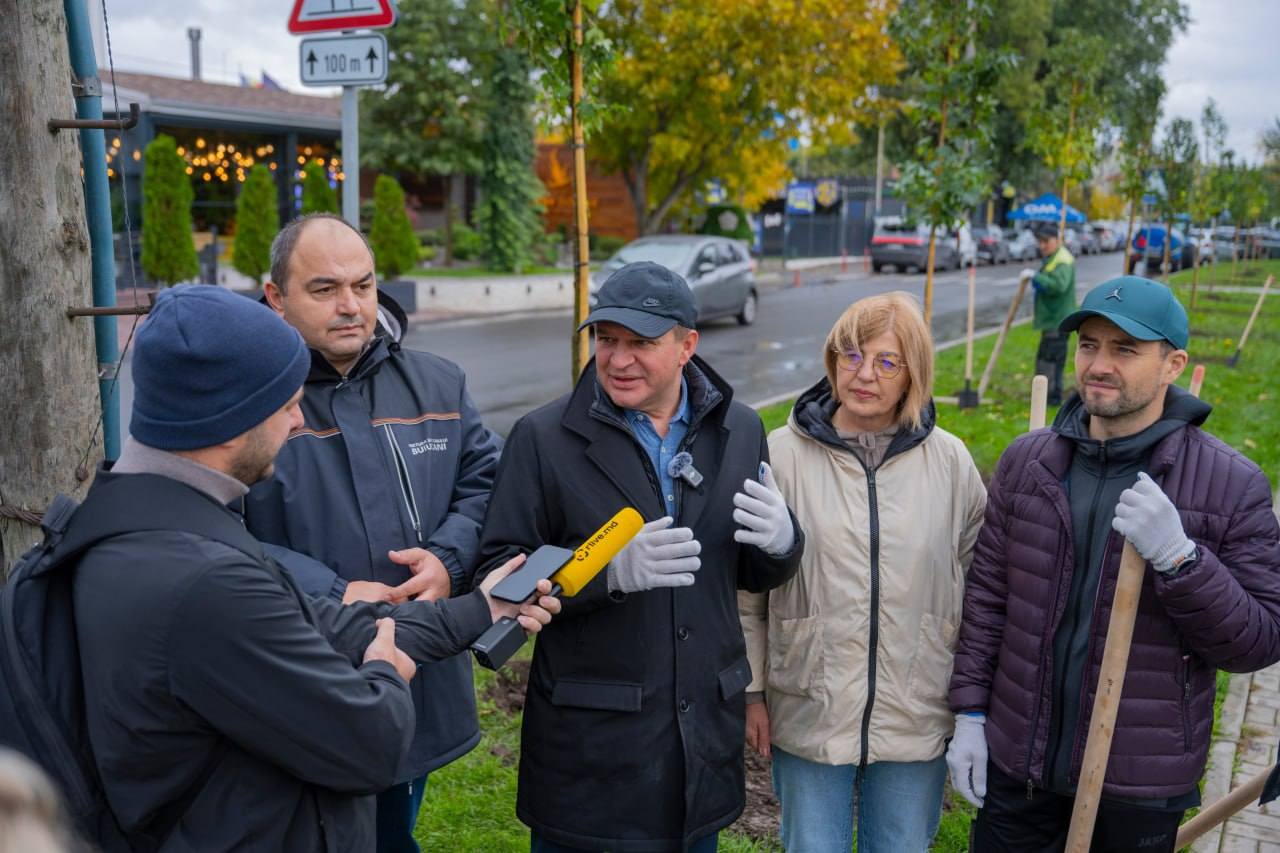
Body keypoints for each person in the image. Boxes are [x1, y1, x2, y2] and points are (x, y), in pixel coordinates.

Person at [73, 285, 559, 850]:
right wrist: (384, 674)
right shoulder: (211, 580)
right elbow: (368, 743)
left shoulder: (119, 530)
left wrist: (484, 607)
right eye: (286, 406)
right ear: (233, 419)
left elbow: (338, 626)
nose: (299, 420)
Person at [473, 261, 805, 851]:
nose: (618, 360)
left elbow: (748, 573)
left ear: (687, 346)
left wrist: (782, 544)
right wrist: (605, 574)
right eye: (606, 340)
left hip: (701, 741)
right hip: (594, 749)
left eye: (641, 344)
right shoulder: (543, 440)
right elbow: (499, 573)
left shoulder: (739, 430)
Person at [947, 276, 1280, 852]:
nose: (1099, 365)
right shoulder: (1029, 464)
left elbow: (1258, 643)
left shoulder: (1230, 485)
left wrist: (1181, 561)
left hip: (1138, 781)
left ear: (1174, 365)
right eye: (1089, 345)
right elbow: (987, 601)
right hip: (1019, 763)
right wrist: (971, 714)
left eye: (1125, 349)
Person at [244, 213, 503, 852]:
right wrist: (332, 590)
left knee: (392, 826)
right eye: (325, 289)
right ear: (276, 296)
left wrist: (448, 560)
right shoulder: (247, 401)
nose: (351, 306)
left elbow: (487, 483)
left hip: (418, 673)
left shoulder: (439, 382)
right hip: (297, 674)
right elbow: (209, 526)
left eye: (362, 285)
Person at [738, 292, 987, 853]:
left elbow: (981, 589)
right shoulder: (781, 456)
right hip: (809, 703)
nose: (864, 374)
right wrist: (751, 691)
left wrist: (973, 704)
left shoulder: (950, 463)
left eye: (886, 361)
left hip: (917, 706)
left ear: (914, 373)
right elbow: (747, 591)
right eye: (850, 356)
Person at [1022, 220, 1077, 406]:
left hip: (1058, 320)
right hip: (1054, 319)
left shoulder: (1062, 260)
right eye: (1040, 242)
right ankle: (1048, 395)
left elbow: (1059, 285)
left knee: (1050, 359)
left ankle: (1050, 397)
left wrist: (1036, 277)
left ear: (1057, 240)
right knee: (1048, 357)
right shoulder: (1054, 258)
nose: (1042, 246)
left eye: (1046, 241)